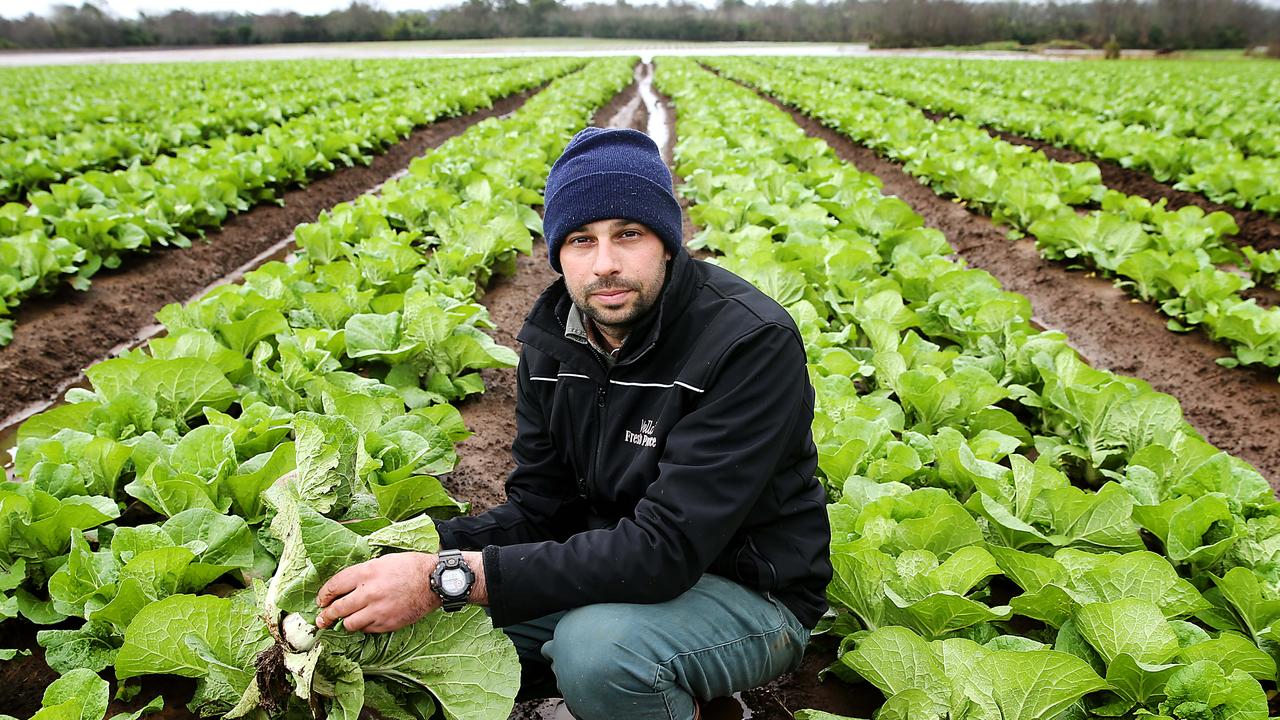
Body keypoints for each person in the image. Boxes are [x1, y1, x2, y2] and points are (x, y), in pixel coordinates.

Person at [314, 127, 833, 720]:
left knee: (598, 652)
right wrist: (402, 553)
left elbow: (666, 550)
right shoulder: (552, 345)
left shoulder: (747, 342)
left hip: (748, 595)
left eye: (628, 235)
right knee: (414, 637)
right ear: (557, 253)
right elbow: (541, 508)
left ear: (667, 242)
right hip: (610, 570)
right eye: (582, 240)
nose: (605, 264)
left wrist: (443, 578)